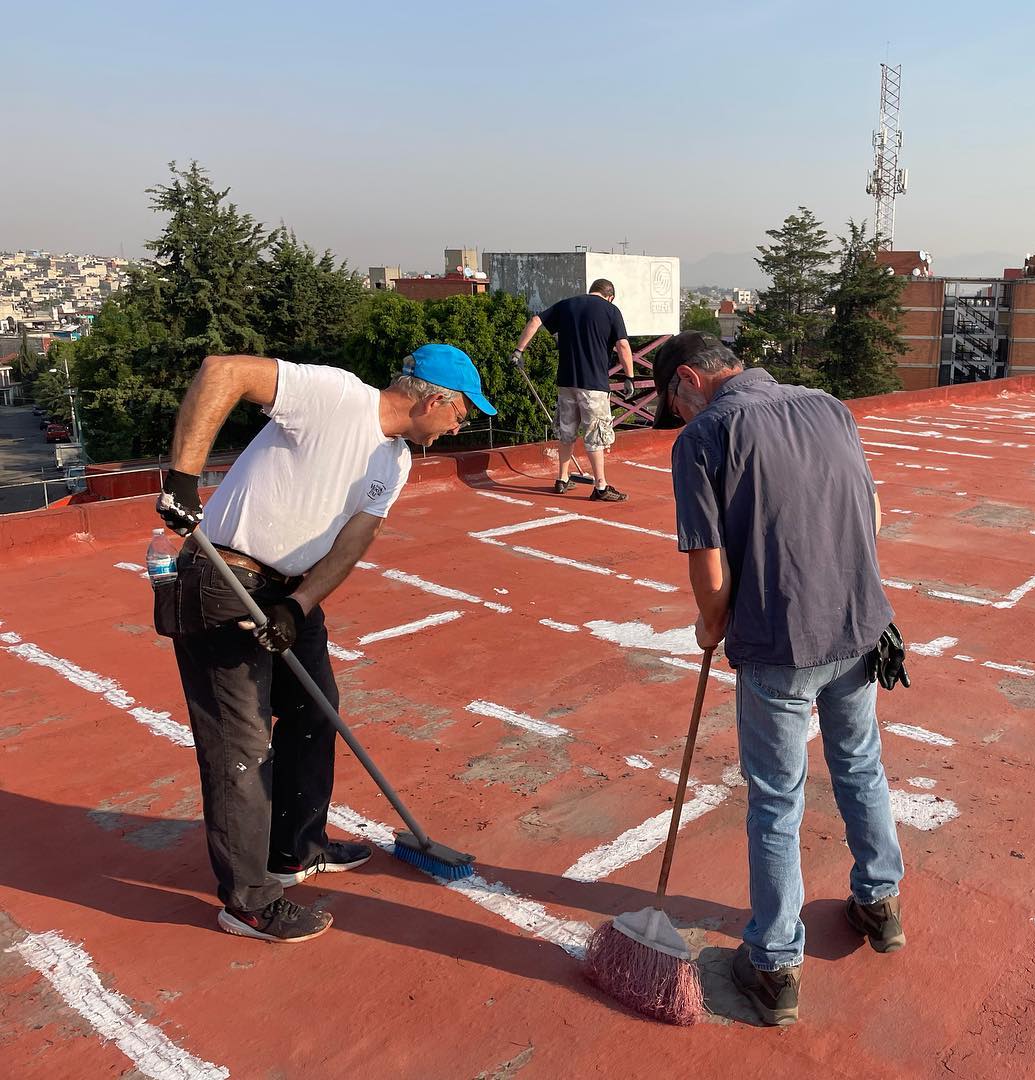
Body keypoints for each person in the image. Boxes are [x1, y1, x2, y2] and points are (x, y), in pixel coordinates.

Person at [154, 344, 494, 943]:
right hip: (224, 580)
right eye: (462, 413)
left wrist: (299, 605)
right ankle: (249, 902)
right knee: (241, 743)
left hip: (288, 590)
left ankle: (294, 848)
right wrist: (182, 477)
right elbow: (223, 371)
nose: (459, 427)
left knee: (316, 710)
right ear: (435, 400)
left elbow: (356, 537)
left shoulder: (395, 460)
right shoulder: (336, 396)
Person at [651, 331, 907, 1026]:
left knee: (775, 799)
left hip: (779, 642)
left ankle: (774, 963)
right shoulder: (827, 405)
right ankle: (880, 902)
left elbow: (708, 563)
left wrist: (710, 624)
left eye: (673, 404)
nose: (678, 418)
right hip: (859, 624)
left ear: (688, 380)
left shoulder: (704, 436)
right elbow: (871, 512)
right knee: (860, 764)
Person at [511, 278, 634, 501]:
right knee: (595, 436)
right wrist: (629, 377)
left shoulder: (567, 304)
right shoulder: (611, 310)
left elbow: (536, 320)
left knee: (566, 432)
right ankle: (600, 487)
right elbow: (623, 345)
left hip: (566, 382)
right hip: (594, 384)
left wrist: (519, 350)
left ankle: (562, 478)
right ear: (610, 296)